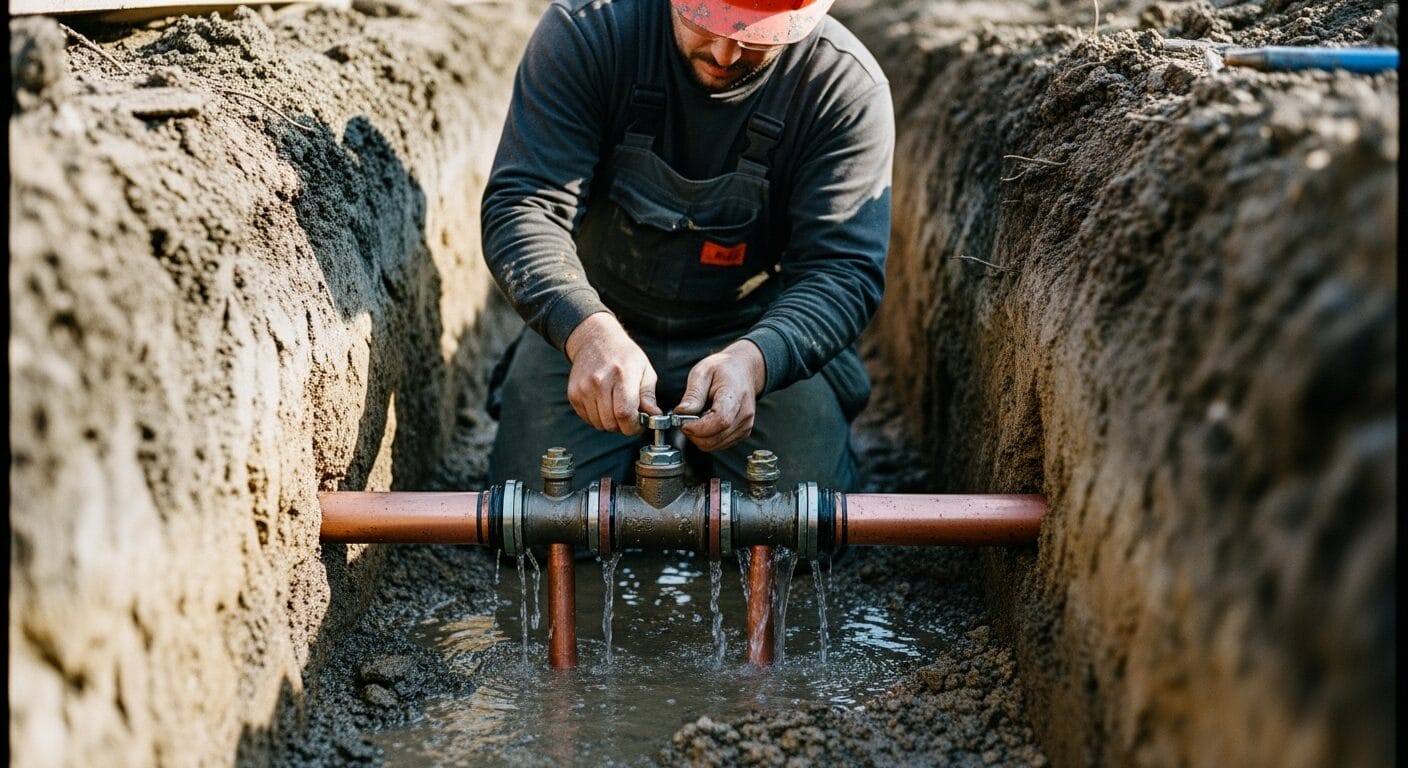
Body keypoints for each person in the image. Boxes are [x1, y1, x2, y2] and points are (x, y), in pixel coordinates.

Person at [481, 0, 894, 494]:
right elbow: (526, 205)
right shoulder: (590, 33)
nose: (725, 51)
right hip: (599, 320)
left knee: (798, 533)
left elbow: (842, 269)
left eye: (757, 34)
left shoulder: (842, 88)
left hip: (756, 330)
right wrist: (585, 331)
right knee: (535, 518)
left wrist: (759, 359)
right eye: (705, 22)